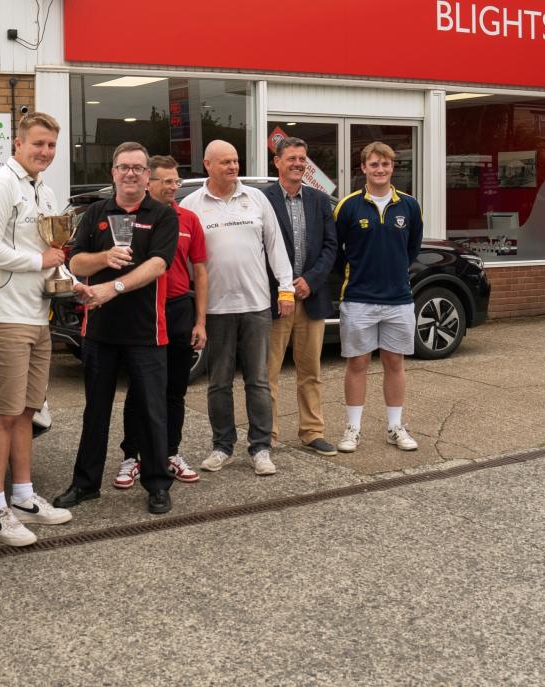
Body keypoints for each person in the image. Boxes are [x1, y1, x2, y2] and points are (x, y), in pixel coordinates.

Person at [53, 142, 179, 514]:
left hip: (146, 332)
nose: (130, 174)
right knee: (96, 411)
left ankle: (157, 484)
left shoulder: (162, 215)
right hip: (100, 332)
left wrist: (115, 286)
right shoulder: (95, 213)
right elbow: (75, 261)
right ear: (113, 172)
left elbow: (158, 264)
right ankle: (85, 484)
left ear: (147, 176)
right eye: (124, 167)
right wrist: (104, 258)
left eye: (138, 168)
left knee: (152, 411)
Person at [0, 112, 72, 546]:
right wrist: (40, 262)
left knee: (28, 412)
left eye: (51, 145)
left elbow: (51, 252)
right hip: (3, 315)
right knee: (4, 413)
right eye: (38, 144)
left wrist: (73, 283)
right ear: (17, 143)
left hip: (37, 314)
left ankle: (24, 496)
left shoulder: (45, 190)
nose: (45, 152)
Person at [181, 140, 294, 476]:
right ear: (208, 165)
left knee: (258, 380)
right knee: (218, 382)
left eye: (235, 161)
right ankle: (222, 446)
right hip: (216, 308)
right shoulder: (192, 204)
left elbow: (275, 246)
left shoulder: (256, 199)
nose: (233, 167)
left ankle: (260, 448)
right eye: (225, 162)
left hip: (256, 305)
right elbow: (186, 258)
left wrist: (285, 289)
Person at [114, 154, 206, 489]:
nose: (172, 187)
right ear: (148, 182)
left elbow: (201, 270)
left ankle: (170, 452)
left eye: (175, 181)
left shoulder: (189, 220)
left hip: (179, 309)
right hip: (144, 309)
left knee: (174, 389)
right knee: (139, 389)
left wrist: (200, 321)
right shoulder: (135, 218)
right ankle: (132, 456)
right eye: (165, 181)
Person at [333, 141, 423, 453]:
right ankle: (352, 429)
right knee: (357, 362)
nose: (380, 170)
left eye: (385, 164)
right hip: (358, 298)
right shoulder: (348, 206)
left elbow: (411, 248)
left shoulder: (409, 206)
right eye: (374, 164)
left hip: (399, 299)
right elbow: (336, 252)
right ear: (363, 168)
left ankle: (395, 427)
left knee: (394, 362)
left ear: (392, 167)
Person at [263, 137, 338, 456]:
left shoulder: (321, 201)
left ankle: (312, 431)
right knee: (268, 374)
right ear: (277, 162)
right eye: (291, 158)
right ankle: (267, 435)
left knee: (311, 371)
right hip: (275, 301)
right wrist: (283, 286)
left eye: (302, 159)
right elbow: (259, 248)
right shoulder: (261, 199)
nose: (297, 163)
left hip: (311, 298)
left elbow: (331, 247)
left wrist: (310, 280)